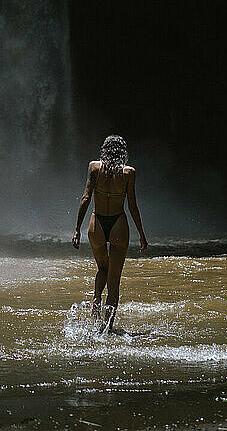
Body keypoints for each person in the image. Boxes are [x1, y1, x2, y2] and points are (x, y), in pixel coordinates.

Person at [72, 134, 148, 331]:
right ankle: (107, 330)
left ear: (104, 150)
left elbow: (86, 197)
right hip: (118, 223)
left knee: (102, 269)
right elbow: (132, 206)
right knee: (114, 281)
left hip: (96, 223)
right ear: (123, 152)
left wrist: (77, 229)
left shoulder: (94, 167)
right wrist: (141, 234)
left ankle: (96, 297)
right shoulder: (129, 173)